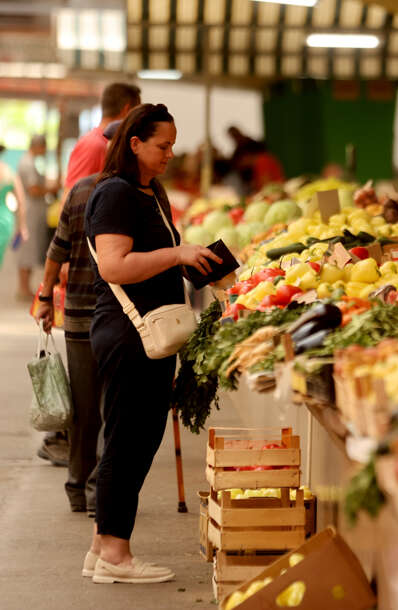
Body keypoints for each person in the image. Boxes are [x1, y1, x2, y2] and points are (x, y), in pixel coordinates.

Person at [83, 104, 220, 583]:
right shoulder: (116, 194)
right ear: (135, 144)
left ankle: (102, 545)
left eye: (173, 146)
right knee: (130, 440)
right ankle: (116, 556)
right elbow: (114, 266)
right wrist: (176, 253)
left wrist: (192, 260)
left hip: (148, 333)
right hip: (129, 333)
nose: (170, 154)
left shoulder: (146, 193)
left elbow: (148, 257)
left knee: (134, 437)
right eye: (163, 145)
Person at [34, 121, 123, 514]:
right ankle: (82, 487)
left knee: (99, 410)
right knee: (91, 409)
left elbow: (57, 251)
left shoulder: (144, 192)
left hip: (116, 317)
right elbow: (59, 248)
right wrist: (43, 296)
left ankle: (90, 488)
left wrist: (45, 297)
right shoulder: (88, 190)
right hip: (91, 315)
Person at [64, 83, 141, 201]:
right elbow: (74, 198)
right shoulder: (93, 145)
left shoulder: (110, 144)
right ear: (127, 110)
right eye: (136, 113)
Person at [15, 135, 57, 301]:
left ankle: (24, 287)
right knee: (27, 249)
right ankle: (23, 288)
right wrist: (51, 189)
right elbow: (33, 189)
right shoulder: (28, 163)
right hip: (30, 211)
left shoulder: (30, 161)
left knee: (30, 250)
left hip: (34, 211)